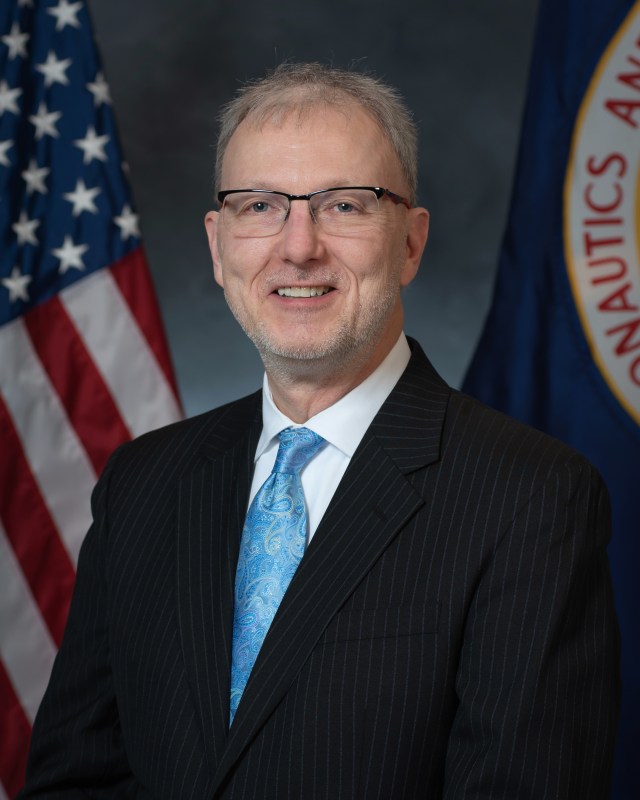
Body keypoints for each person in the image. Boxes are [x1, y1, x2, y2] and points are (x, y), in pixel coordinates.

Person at [20, 63, 619, 799]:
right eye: (260, 205)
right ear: (217, 244)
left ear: (409, 243)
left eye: (344, 204)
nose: (298, 247)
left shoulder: (530, 497)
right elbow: (74, 781)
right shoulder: (142, 484)